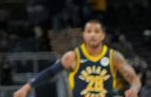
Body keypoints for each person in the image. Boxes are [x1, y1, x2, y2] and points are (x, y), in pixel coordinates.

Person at [13, 19, 141, 97]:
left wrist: (134, 88)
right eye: (89, 31)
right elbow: (50, 72)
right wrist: (27, 87)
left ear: (103, 35)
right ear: (83, 35)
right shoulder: (73, 56)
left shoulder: (114, 56)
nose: (92, 35)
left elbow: (134, 78)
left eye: (96, 31)